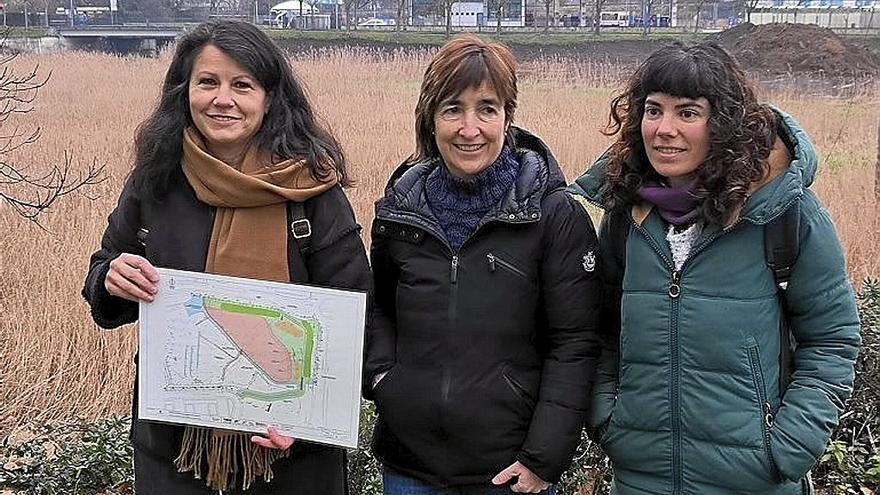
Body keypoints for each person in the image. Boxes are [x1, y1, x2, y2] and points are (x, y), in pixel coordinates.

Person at [81, 20, 370, 495]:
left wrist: (311, 416)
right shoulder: (156, 181)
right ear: (185, 90)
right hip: (175, 449)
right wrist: (111, 279)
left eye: (242, 85)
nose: (223, 99)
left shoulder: (311, 191)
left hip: (291, 455)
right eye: (208, 82)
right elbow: (105, 276)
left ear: (270, 98)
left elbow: (354, 309)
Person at [567, 41, 861, 495]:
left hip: (754, 480)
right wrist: (610, 418)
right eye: (653, 110)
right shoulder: (626, 215)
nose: (664, 130)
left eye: (688, 113)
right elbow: (602, 327)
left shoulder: (782, 213)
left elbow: (832, 339)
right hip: (642, 477)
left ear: (723, 123)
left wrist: (787, 447)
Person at [364, 34, 602, 495]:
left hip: (508, 473)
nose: (469, 128)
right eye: (453, 109)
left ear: (507, 118)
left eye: (487, 109)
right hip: (408, 469)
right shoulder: (399, 212)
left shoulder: (553, 216)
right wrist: (385, 380)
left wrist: (542, 459)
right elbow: (381, 309)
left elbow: (575, 344)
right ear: (430, 119)